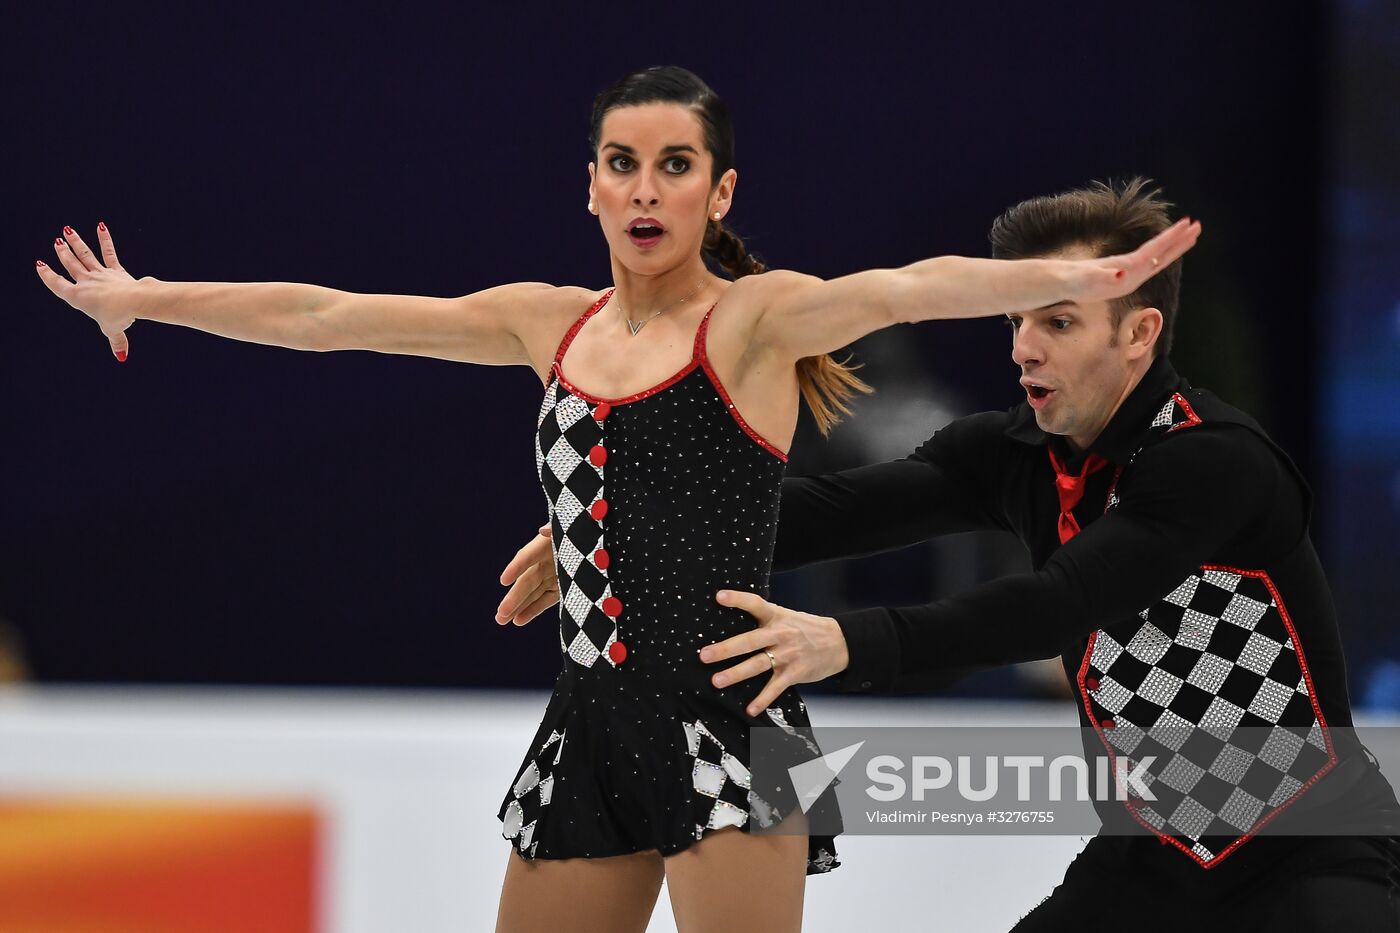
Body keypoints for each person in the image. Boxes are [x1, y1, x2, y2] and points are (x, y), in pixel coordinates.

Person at [35, 66, 1195, 931]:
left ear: (716, 188)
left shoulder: (753, 321)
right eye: (623, 164)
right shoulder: (547, 323)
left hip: (729, 718)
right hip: (592, 722)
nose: (647, 190)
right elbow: (323, 318)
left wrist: (1072, 279)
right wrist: (148, 297)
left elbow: (909, 288)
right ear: (589, 183)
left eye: (675, 166)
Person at [499, 178, 1400, 929]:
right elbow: (838, 508)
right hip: (1148, 862)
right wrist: (614, 529)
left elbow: (1057, 602)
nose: (1021, 349)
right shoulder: (1018, 455)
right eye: (1015, 321)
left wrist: (845, 640)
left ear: (1139, 334)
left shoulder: (1215, 463)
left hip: (1306, 851)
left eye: (1057, 323)